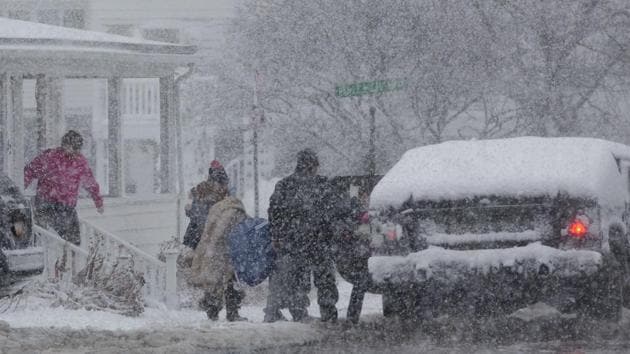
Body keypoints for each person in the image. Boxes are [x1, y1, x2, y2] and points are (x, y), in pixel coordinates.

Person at [263, 148, 339, 323]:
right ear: (314, 165)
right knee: (325, 278)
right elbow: (332, 213)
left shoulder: (284, 185)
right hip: (318, 241)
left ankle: (299, 312)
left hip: (294, 242)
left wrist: (278, 236)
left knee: (298, 279)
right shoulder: (323, 185)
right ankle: (328, 313)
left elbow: (274, 213)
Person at [188, 161, 248, 322]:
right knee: (224, 278)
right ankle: (225, 311)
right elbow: (204, 221)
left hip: (212, 243)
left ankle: (217, 310)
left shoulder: (204, 196)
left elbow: (196, 220)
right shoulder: (215, 200)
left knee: (220, 278)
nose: (223, 187)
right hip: (217, 244)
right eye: (222, 183)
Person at [24, 130, 103, 245]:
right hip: (45, 203)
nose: (76, 152)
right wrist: (19, 189)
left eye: (78, 149)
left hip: (66, 206)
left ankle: (69, 260)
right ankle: (44, 248)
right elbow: (29, 172)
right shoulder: (49, 157)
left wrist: (98, 201)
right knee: (42, 235)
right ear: (65, 145)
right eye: (73, 148)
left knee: (74, 241)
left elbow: (90, 183)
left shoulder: (80, 162)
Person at [183, 160, 230, 249]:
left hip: (200, 237)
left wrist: (189, 210)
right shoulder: (223, 194)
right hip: (211, 237)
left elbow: (196, 215)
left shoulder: (203, 191)